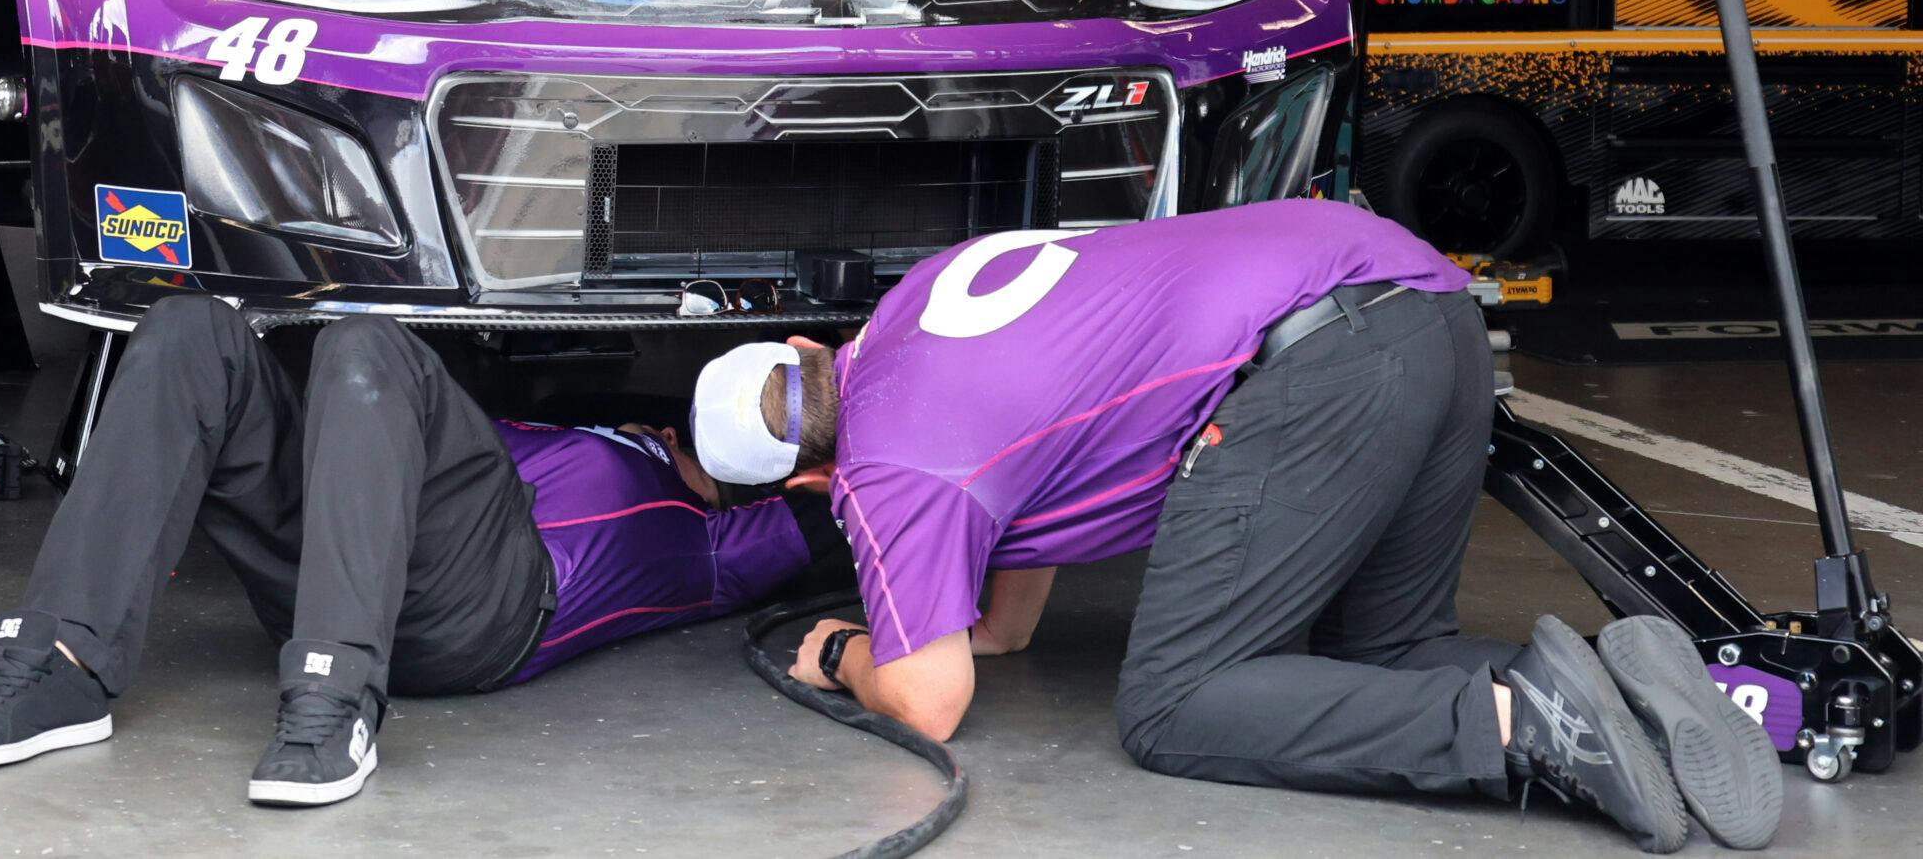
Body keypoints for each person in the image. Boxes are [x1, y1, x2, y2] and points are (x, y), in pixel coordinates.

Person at [690, 198, 1782, 852]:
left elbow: (928, 702)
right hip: (1425, 303)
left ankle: (1534, 730)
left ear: (801, 481)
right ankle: (1634, 688)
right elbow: (1012, 558)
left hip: (1310, 370)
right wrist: (971, 619)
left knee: (1177, 705)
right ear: (801, 346)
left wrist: (844, 654)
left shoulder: (885, 469)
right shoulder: (917, 301)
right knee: (1389, 658)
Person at [0, 300, 837, 806]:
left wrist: (831, 457)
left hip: (492, 602)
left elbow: (849, 501)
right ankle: (58, 663)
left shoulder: (717, 541)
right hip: (349, 555)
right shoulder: (610, 435)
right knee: (190, 330)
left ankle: (331, 708)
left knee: (367, 343)